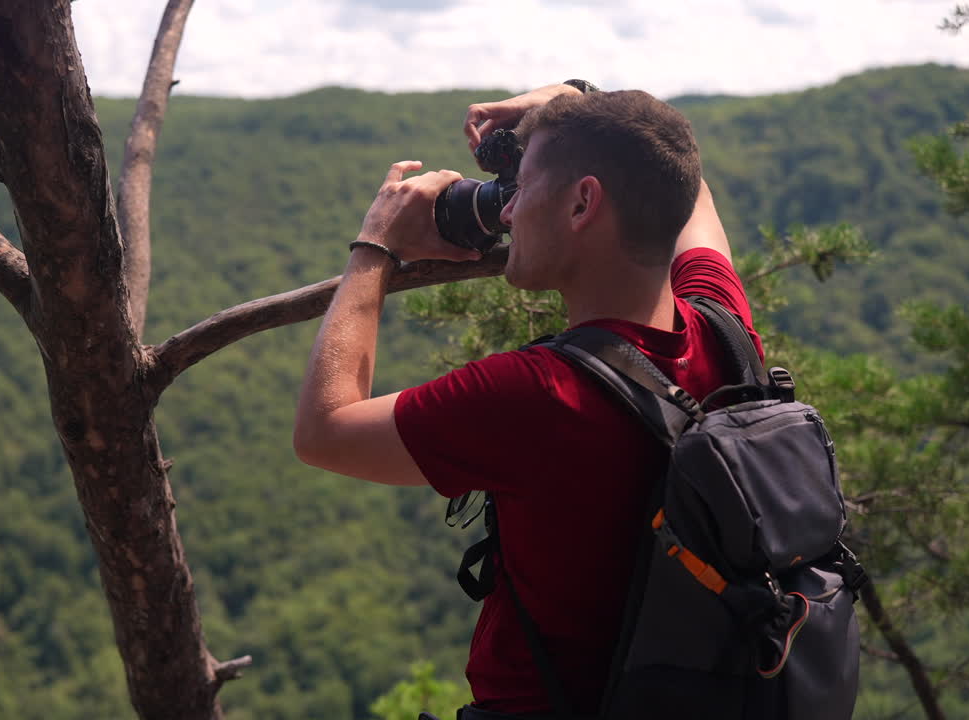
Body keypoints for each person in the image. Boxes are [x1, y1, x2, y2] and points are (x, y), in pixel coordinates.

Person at [293, 82, 764, 718]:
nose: (508, 211)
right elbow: (683, 178)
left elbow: (323, 431)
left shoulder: (537, 395)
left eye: (524, 186)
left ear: (583, 203)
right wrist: (574, 100)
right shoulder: (724, 325)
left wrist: (376, 245)